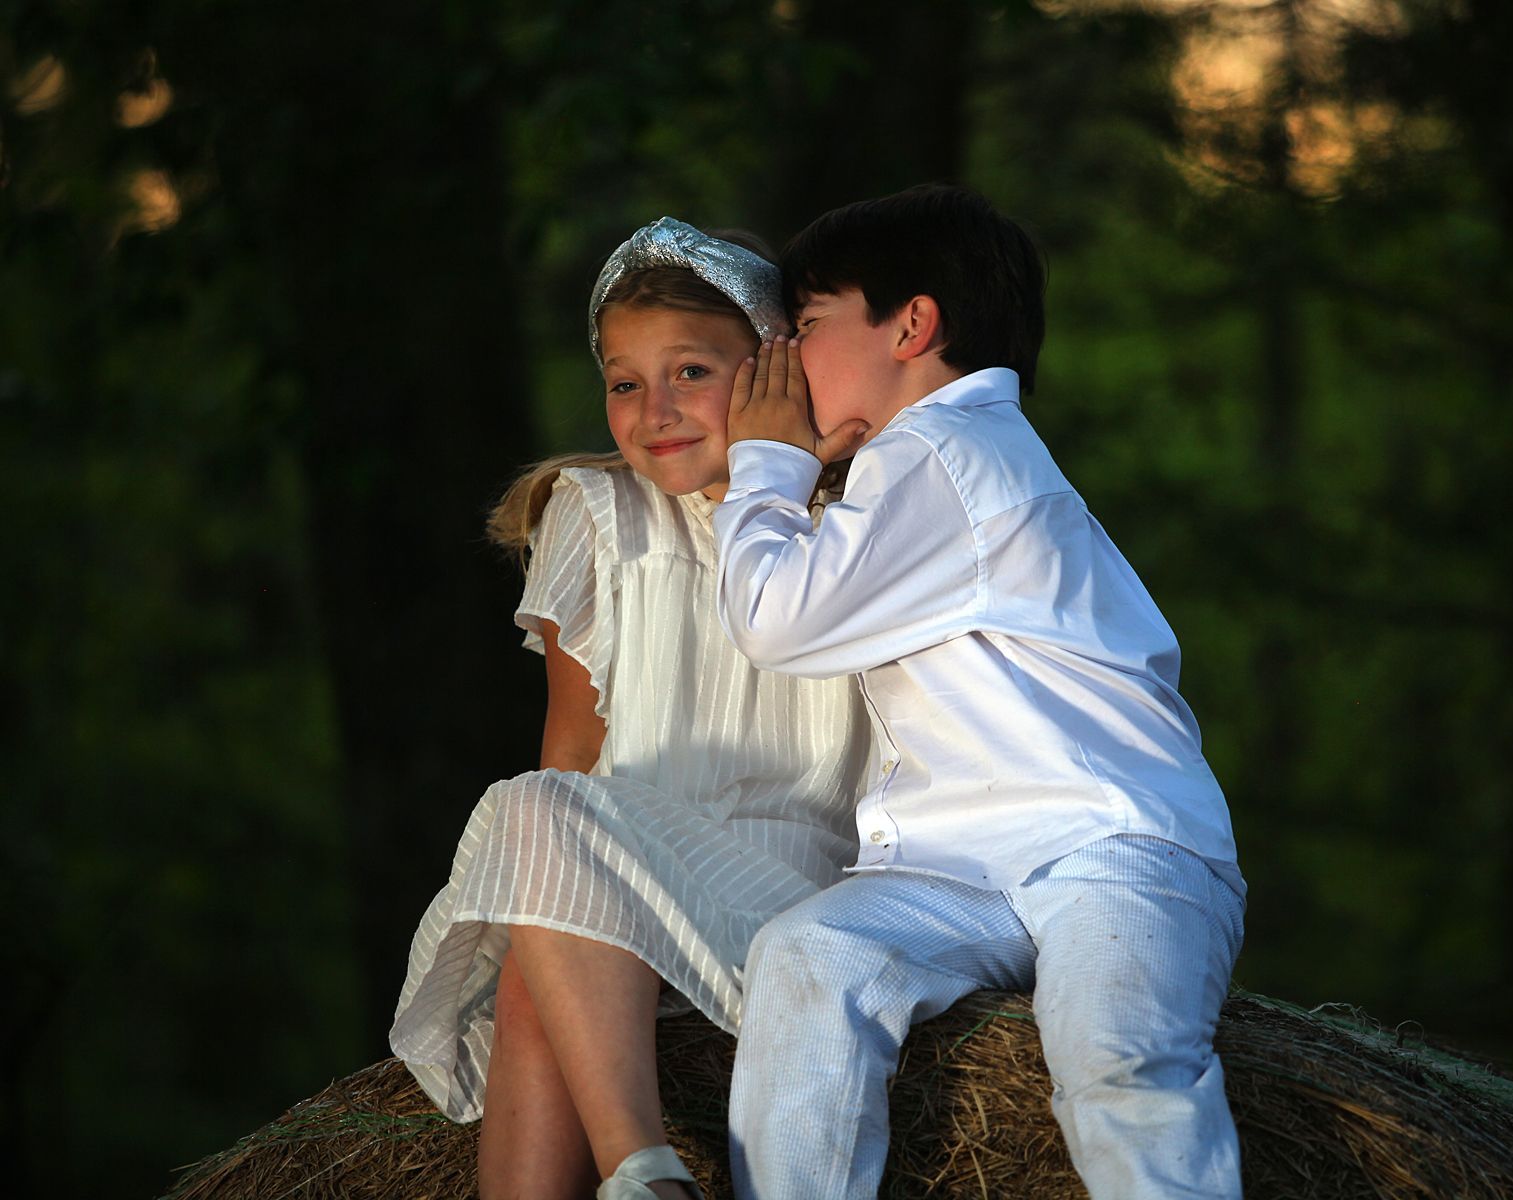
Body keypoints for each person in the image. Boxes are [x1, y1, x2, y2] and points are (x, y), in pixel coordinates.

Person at [713, 184, 1248, 1199]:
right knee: (810, 954)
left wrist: (766, 463)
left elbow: (776, 618)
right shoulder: (909, 463)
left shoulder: (948, 447)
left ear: (914, 325)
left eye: (810, 328)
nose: (778, 364)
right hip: (964, 865)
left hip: (1112, 840)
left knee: (1121, 1065)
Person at [389, 218, 873, 1200]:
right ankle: (642, 1170)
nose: (654, 409)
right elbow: (574, 751)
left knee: (538, 851)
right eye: (623, 382)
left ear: (773, 367)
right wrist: (553, 901)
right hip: (626, 870)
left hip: (802, 894)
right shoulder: (595, 512)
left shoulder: (852, 511)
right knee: (539, 862)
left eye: (690, 372)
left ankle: (640, 1171)